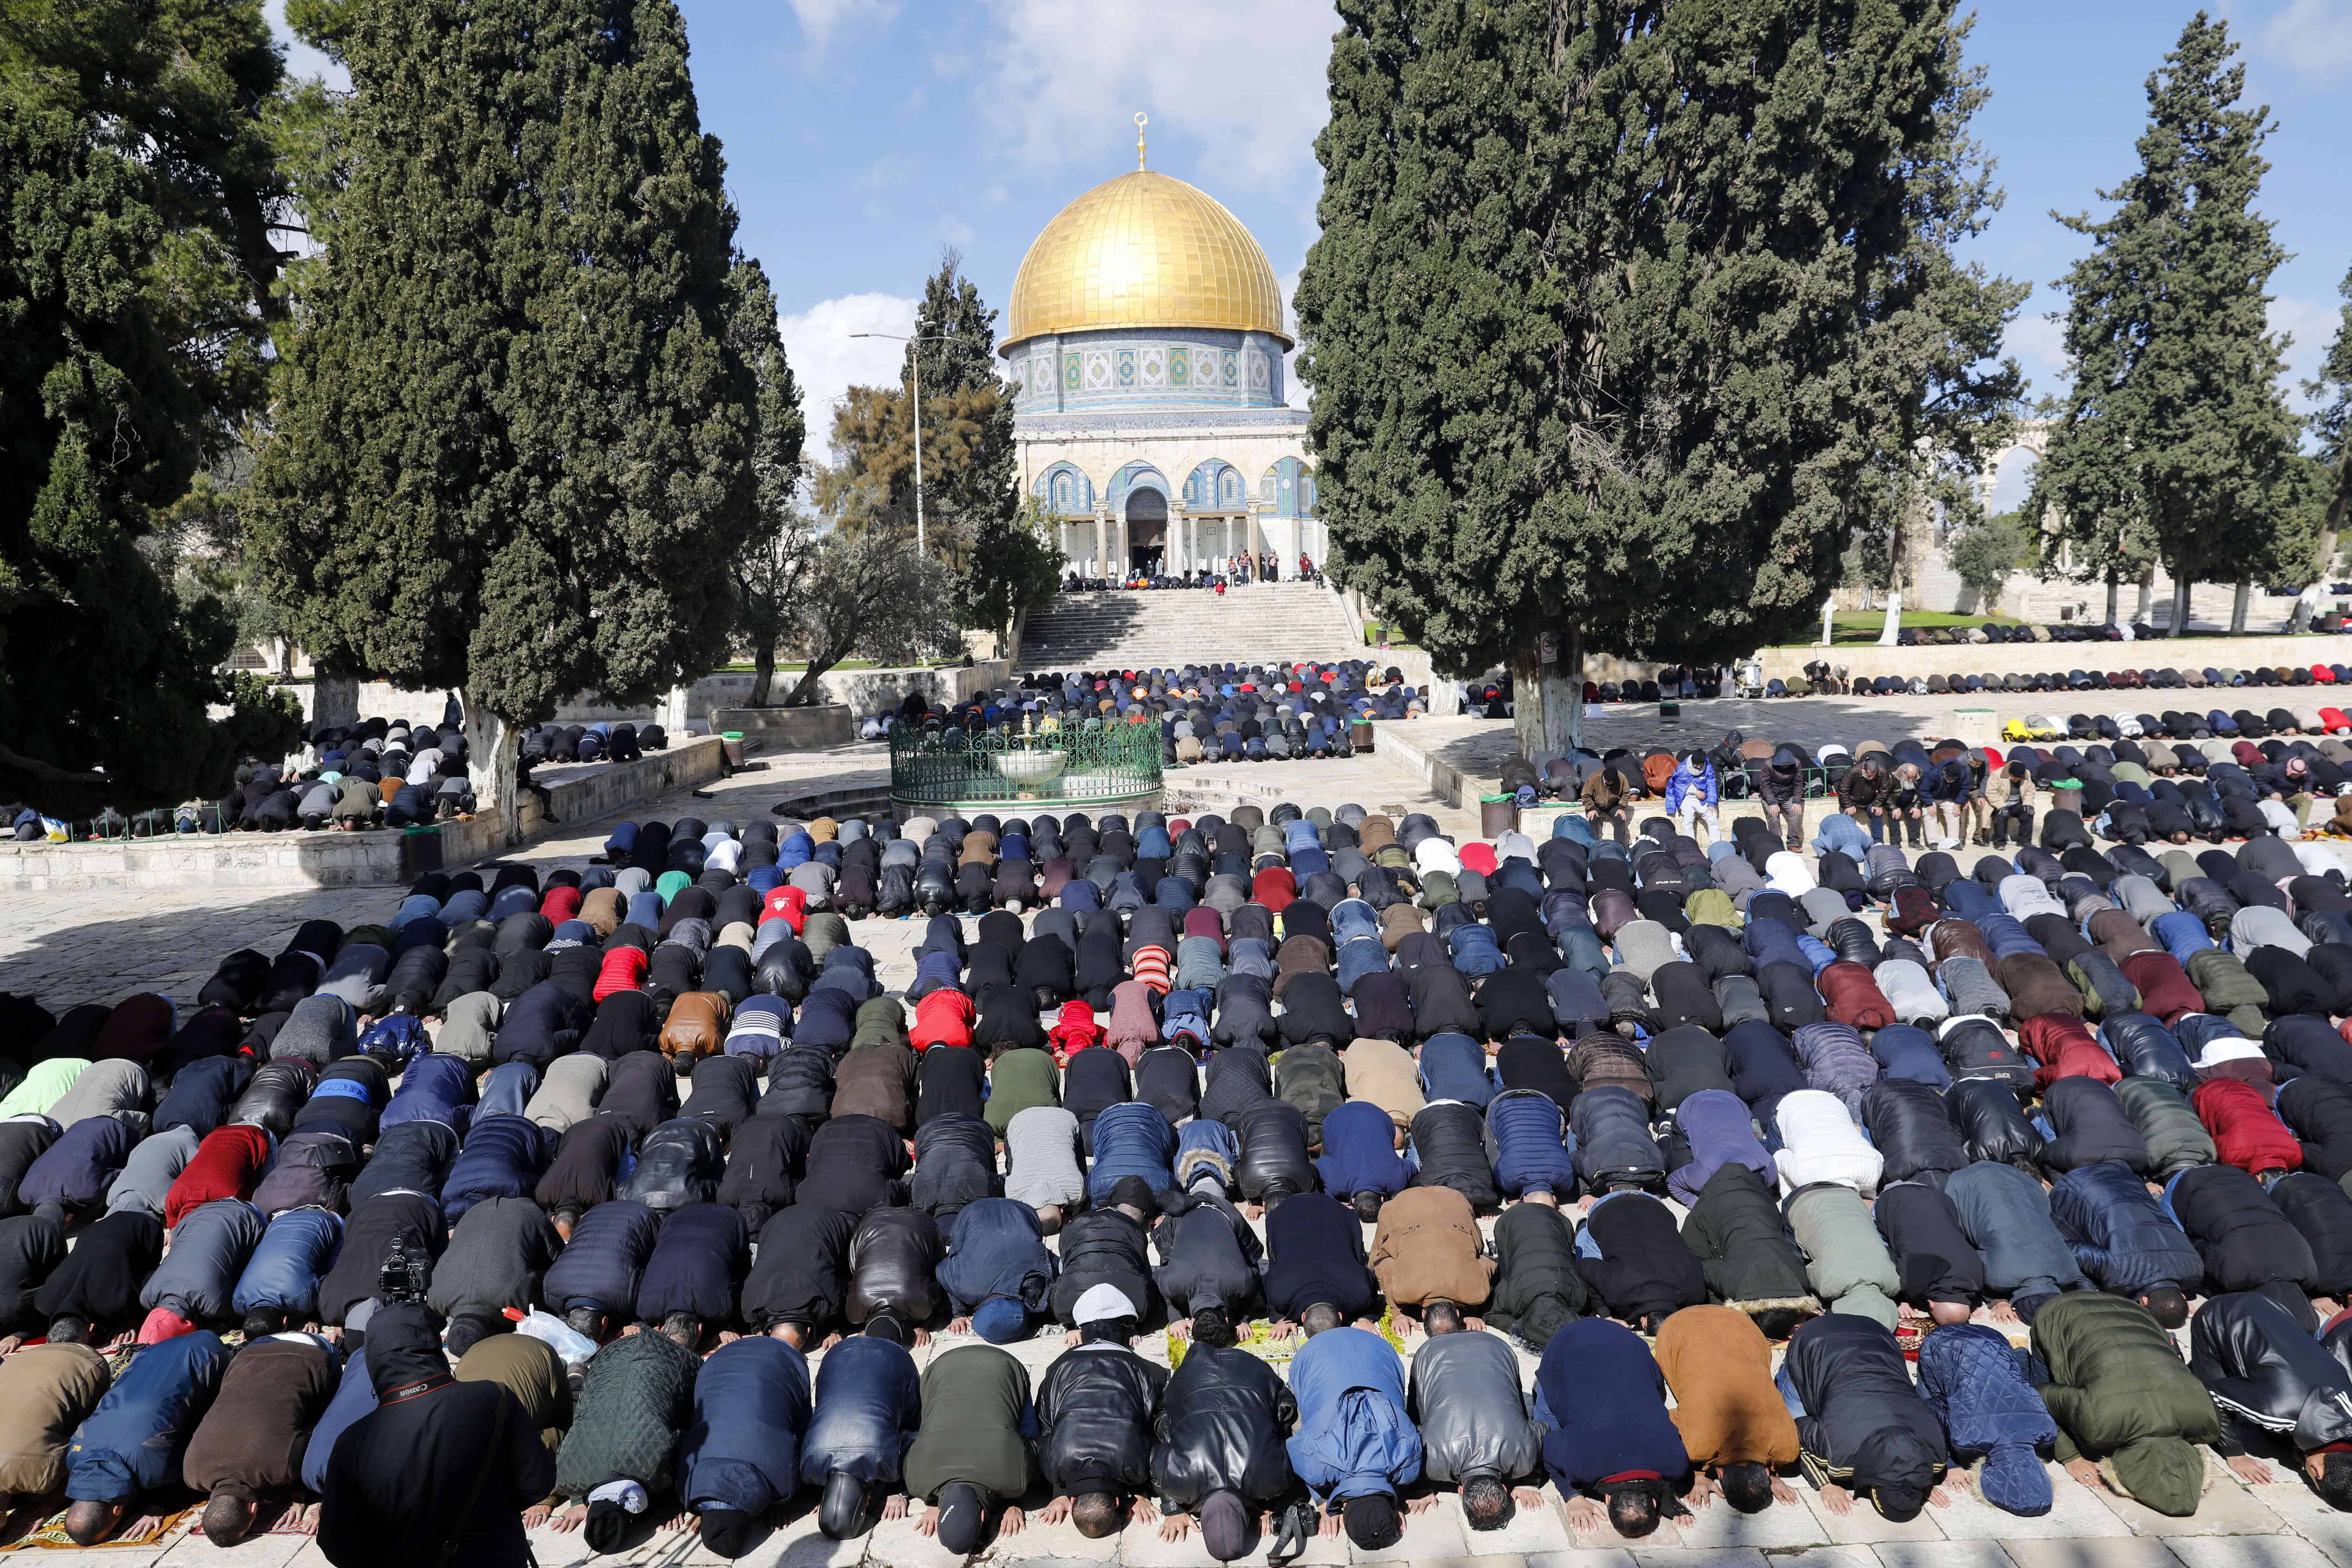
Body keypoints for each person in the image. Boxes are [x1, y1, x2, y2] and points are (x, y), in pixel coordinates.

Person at [317, 1303, 555, 1568]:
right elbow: (537, 1485)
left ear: (374, 1361)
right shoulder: (495, 1397)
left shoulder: (352, 1442)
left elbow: (336, 1543)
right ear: (434, 1349)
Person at [2025, 1290, 2219, 1517]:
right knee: (2033, 1387)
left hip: (2131, 1310)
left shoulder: (2207, 1424)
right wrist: (2071, 1457)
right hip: (2060, 1313)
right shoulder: (2100, 1425)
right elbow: (2039, 1395)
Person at [62, 1328, 232, 1544]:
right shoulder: (75, 1455)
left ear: (117, 1511)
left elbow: (193, 1470)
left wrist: (158, 1506)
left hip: (207, 1352)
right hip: (150, 1353)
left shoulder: (151, 1468)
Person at [1777, 1312, 1951, 1520]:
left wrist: (1923, 1478)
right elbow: (1799, 1432)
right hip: (1814, 1340)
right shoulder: (1838, 1451)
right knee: (1790, 1421)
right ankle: (1785, 1370)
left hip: (1876, 1333)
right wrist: (1825, 1483)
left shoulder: (1936, 1452)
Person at [2189, 1290, 2352, 1508]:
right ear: (2318, 1471)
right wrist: (2235, 1454)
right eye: (2313, 1481)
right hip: (2219, 1315)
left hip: (2269, 1306)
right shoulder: (2277, 1413)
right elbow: (2212, 1393)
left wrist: (2305, 1450)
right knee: (2205, 1396)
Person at [1533, 1316, 1691, 1538]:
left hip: (1627, 1341)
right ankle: (1542, 1382)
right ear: (1608, 1499)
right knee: (1547, 1426)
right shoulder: (1583, 1464)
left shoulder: (1677, 1464)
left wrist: (1671, 1497)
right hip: (1566, 1346)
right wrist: (1573, 1496)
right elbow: (1547, 1448)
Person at [182, 1326, 340, 1545]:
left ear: (253, 1508)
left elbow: (321, 1437)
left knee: (328, 1408)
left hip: (312, 1351)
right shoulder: (191, 1473)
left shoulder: (280, 1467)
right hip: (252, 1351)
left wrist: (299, 1494)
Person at [1035, 1284, 1169, 1539]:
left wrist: (1058, 1492)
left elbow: (1042, 1424)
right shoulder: (1151, 1372)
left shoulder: (1056, 1369)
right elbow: (1161, 1431)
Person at [1150, 1332, 1298, 1560]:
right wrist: (1173, 1506)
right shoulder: (1179, 1481)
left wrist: (1270, 1501)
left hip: (1244, 1369)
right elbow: (1156, 1459)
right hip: (1210, 1371)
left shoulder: (1272, 1481)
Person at [1283, 1317, 1420, 1549]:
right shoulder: (1316, 1468)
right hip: (1313, 1356)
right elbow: (1295, 1446)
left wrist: (1394, 1498)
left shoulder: (1408, 1467)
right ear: (1345, 1507)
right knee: (1304, 1421)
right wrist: (1323, 1502)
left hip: (1379, 1351)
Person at [1408, 1300, 1544, 1531]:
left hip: (1492, 1348)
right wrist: (1420, 1485)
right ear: (1462, 1491)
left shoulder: (1524, 1455)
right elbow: (1411, 1436)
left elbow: (1541, 1429)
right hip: (1483, 1349)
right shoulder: (1432, 1461)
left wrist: (1527, 1476)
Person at [1654, 1305, 1800, 1513]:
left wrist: (1774, 1472)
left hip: (1742, 1324)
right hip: (1679, 1326)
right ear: (1721, 1474)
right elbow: (1664, 1422)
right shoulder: (1696, 1446)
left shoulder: (1787, 1449)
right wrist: (1696, 1475)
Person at [678, 1334, 813, 1558]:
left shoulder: (782, 1486)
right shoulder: (688, 1484)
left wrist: (778, 1504)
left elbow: (802, 1435)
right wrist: (707, 1504)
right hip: (720, 1361)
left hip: (785, 1361)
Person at [897, 1342, 1036, 1552]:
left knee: (1026, 1433)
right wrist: (930, 1498)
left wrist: (1012, 1501)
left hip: (1006, 1367)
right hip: (941, 1369)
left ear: (983, 1516)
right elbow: (915, 1445)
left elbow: (1032, 1446)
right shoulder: (917, 1482)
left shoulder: (1016, 1480)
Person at [799, 1317, 923, 1539]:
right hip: (836, 1356)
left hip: (856, 1358)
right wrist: (898, 1491)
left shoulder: (886, 1461)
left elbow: (913, 1436)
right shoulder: (809, 1467)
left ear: (866, 1501)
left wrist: (898, 1491)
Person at [937, 1197, 1057, 1344]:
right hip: (985, 1212)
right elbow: (943, 1270)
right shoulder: (964, 1288)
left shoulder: (1038, 1283)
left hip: (1019, 1211)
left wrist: (958, 1313)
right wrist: (959, 1314)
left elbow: (941, 1271)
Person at [1369, 1184, 1493, 1325]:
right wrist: (1398, 1313)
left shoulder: (1478, 1293)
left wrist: (1473, 1311)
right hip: (1408, 1204)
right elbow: (1381, 1266)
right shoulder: (1401, 1292)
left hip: (1454, 1200)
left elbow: (1488, 1262)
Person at [1262, 1189, 1379, 1332]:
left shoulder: (1360, 1292)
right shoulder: (1280, 1294)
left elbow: (1268, 1280)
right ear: (1340, 1316)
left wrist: (1282, 1318)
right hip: (1320, 1211)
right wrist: (1365, 1318)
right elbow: (1269, 1280)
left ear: (1304, 1317)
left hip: (1320, 1211)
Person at [1663, 750, 1722, 844]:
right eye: (1696, 765)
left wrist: (1711, 804)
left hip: (1703, 798)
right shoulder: (1682, 768)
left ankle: (1716, 843)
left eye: (1701, 765)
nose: (1699, 767)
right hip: (1686, 797)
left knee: (1712, 817)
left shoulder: (1708, 768)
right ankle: (1690, 844)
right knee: (1688, 819)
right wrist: (1695, 791)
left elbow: (1711, 785)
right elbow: (1677, 786)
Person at [1756, 748, 1807, 852]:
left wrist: (1797, 801)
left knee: (1795, 813)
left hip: (1788, 795)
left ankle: (1793, 844)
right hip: (1771, 795)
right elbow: (1765, 785)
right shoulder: (1768, 764)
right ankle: (1776, 843)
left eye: (1787, 765)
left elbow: (1798, 784)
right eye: (1783, 765)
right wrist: (1772, 802)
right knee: (1773, 815)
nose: (1784, 766)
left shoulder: (1796, 764)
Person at [1581, 764, 1632, 848]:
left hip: (1613, 804)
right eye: (1608, 782)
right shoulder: (1594, 779)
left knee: (1620, 818)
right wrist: (1591, 808)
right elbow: (1586, 795)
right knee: (1593, 819)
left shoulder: (1622, 778)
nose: (1609, 784)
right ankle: (1594, 846)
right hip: (1596, 804)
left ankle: (1620, 847)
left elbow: (1626, 794)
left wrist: (1621, 807)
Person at [1990, 761, 2038, 850]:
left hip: (2017, 803)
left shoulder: (2026, 774)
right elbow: (1991, 792)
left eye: (2019, 778)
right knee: (2001, 815)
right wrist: (2001, 805)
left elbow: (2030, 790)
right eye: (2015, 777)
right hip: (2002, 802)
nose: (2016, 779)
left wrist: (2028, 803)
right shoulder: (1997, 775)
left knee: (2028, 813)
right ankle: (1999, 842)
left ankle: (2024, 842)